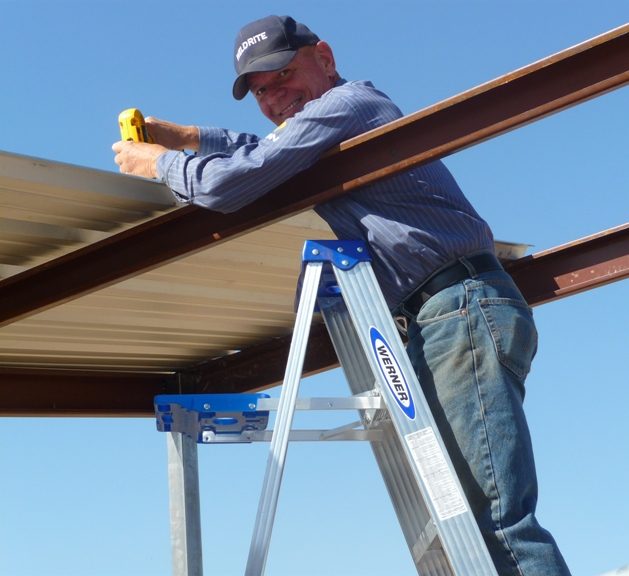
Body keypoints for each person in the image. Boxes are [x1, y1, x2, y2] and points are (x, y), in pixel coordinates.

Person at [113, 15, 571, 575]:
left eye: (282, 76)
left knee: (496, 525)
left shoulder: (351, 103)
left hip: (457, 306)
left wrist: (160, 163)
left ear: (324, 57)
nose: (274, 96)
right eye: (260, 91)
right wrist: (190, 137)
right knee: (466, 532)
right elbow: (265, 147)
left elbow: (235, 180)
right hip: (441, 316)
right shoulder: (326, 127)